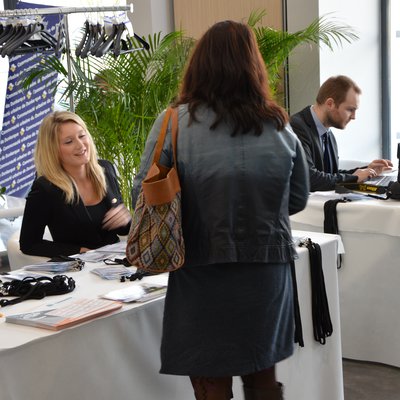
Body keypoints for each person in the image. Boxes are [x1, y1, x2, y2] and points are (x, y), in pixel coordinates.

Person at [131, 20, 309, 400]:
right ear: (254, 66)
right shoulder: (280, 125)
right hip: (266, 270)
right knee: (262, 375)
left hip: (199, 270)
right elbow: (297, 200)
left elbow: (141, 195)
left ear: (199, 65)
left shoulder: (173, 124)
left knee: (210, 381)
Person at [20, 111, 131, 258]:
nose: (80, 145)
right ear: (53, 150)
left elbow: (123, 231)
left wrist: (126, 219)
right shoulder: (45, 188)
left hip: (117, 263)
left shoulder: (106, 169)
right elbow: (29, 244)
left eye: (82, 136)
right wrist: (79, 251)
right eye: (68, 141)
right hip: (79, 270)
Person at [290, 75, 392, 191]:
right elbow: (309, 179)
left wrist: (367, 170)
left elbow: (330, 174)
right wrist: (354, 177)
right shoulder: (296, 128)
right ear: (330, 104)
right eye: (350, 110)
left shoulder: (327, 134)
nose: (353, 117)